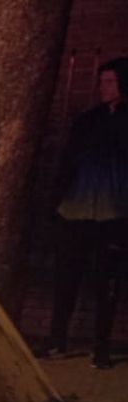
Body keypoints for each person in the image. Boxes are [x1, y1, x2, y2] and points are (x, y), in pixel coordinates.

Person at [39, 57, 128, 369]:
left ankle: (101, 347)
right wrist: (57, 202)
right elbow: (68, 162)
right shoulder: (88, 121)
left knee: (107, 284)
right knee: (67, 278)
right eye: (101, 82)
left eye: (110, 82)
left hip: (113, 214)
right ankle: (57, 341)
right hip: (76, 210)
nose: (103, 88)